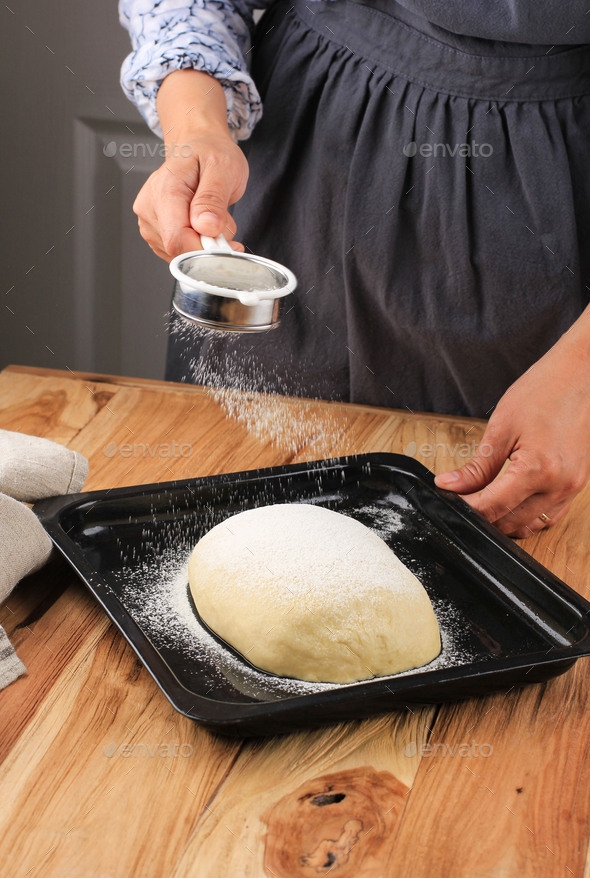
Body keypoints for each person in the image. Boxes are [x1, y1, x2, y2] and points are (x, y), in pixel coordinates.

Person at [119, 0, 590, 538]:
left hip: (547, 185)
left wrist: (582, 375)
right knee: (219, 512)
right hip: (305, 142)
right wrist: (197, 126)